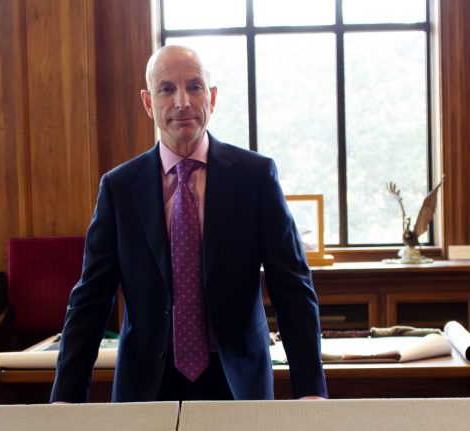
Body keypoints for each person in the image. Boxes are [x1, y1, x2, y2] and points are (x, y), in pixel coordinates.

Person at [50, 44, 326, 403]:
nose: (182, 101)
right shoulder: (119, 188)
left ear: (211, 98)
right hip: (146, 385)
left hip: (237, 379)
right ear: (149, 103)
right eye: (167, 89)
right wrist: (65, 398)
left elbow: (292, 287)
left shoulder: (255, 177)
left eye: (194, 86)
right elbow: (91, 299)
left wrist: (310, 391)